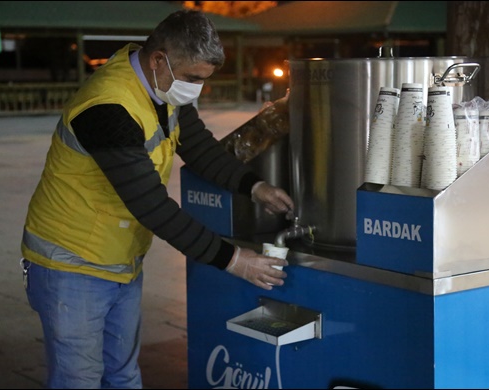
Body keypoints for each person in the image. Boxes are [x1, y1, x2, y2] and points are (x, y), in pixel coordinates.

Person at [19, 9, 294, 389]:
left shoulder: (162, 87)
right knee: (78, 379)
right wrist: (233, 260)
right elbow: (151, 204)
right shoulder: (107, 108)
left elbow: (198, 147)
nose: (197, 89)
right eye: (194, 78)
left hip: (120, 259)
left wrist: (254, 186)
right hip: (71, 263)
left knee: (124, 373)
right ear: (159, 59)